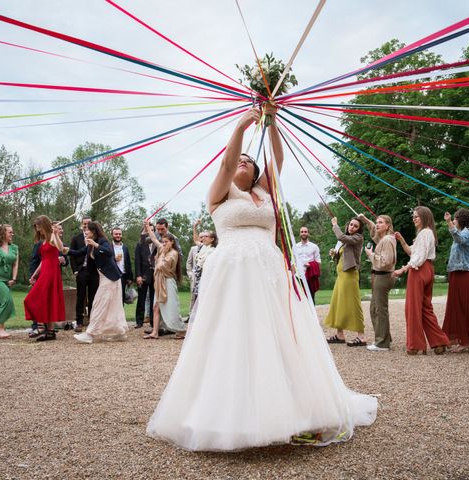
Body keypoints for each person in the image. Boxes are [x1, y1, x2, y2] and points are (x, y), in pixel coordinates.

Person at [146, 105, 377, 451]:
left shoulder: (266, 191)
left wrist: (271, 121)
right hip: (232, 273)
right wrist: (241, 125)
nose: (243, 162)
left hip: (270, 272)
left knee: (278, 335)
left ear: (256, 171)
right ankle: (227, 416)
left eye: (249, 162)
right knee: (232, 335)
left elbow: (278, 158)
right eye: (241, 159)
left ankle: (291, 409)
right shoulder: (221, 193)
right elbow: (227, 162)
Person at [393, 206, 449, 355]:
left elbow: (419, 257)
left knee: (412, 308)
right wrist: (402, 241)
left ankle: (415, 345)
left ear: (424, 217)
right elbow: (413, 252)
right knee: (425, 307)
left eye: (416, 216)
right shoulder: (427, 233)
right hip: (427, 269)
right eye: (413, 217)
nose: (414, 219)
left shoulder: (425, 233)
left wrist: (403, 269)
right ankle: (439, 342)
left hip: (419, 270)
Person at [68, 222, 128, 343]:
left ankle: (90, 334)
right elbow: (79, 252)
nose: (85, 232)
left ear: (94, 231)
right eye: (85, 230)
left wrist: (95, 244)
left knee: (98, 304)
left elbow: (109, 252)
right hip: (105, 278)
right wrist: (66, 250)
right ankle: (119, 332)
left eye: (87, 230)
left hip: (110, 278)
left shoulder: (102, 241)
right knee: (111, 306)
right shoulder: (91, 244)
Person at [442, 210, 469, 352]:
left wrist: (449, 223)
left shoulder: (466, 232)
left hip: (464, 274)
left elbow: (459, 239)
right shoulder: (462, 233)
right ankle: (462, 339)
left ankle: (466, 341)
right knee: (456, 306)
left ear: (461, 220)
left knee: (464, 307)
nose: (453, 221)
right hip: (456, 273)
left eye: (454, 219)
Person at [325, 216, 366, 347]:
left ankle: (361, 336)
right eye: (351, 224)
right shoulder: (346, 241)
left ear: (359, 229)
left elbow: (342, 237)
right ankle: (339, 334)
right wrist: (335, 254)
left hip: (350, 276)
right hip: (341, 276)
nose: (352, 227)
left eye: (355, 226)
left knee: (353, 304)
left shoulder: (357, 238)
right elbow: (345, 254)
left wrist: (335, 225)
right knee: (338, 303)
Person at [358, 214, 397, 352]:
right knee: (375, 309)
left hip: (383, 276)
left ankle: (382, 343)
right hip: (379, 276)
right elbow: (374, 231)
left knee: (379, 310)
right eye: (377, 222)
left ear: (388, 226)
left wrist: (370, 254)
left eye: (381, 222)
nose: (377, 224)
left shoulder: (387, 240)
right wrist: (366, 220)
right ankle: (385, 337)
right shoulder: (384, 238)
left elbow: (385, 262)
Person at [24, 216, 65, 342]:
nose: (38, 230)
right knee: (48, 299)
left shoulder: (52, 237)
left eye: (39, 227)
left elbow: (61, 248)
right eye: (36, 228)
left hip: (52, 272)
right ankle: (51, 332)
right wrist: (35, 274)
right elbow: (43, 260)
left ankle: (41, 327)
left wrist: (56, 234)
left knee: (33, 298)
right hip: (45, 270)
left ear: (44, 225)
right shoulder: (43, 241)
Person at [142, 222, 186, 340]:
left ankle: (181, 330)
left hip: (168, 282)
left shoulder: (173, 253)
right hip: (159, 281)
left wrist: (161, 256)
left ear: (172, 242)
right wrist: (147, 228)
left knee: (171, 306)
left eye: (166, 242)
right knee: (156, 306)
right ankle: (155, 332)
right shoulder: (161, 248)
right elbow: (154, 239)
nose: (163, 244)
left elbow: (161, 266)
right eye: (163, 242)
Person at [70, 216, 99, 333]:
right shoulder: (76, 238)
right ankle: (79, 322)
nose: (86, 225)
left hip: (93, 271)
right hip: (81, 270)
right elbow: (73, 255)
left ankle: (92, 321)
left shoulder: (96, 238)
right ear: (82, 225)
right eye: (84, 223)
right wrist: (75, 270)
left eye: (88, 223)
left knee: (93, 297)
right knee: (80, 297)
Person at [134, 227, 155, 329]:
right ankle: (139, 321)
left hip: (155, 276)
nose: (149, 232)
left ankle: (153, 321)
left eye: (151, 230)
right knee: (141, 299)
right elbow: (137, 261)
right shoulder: (140, 245)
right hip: (143, 276)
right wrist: (138, 275)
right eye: (147, 230)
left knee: (153, 299)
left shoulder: (157, 244)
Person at [294, 226, 321, 303]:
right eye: (302, 232)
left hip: (310, 276)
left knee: (311, 298)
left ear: (308, 233)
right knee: (299, 298)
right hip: (298, 276)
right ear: (299, 233)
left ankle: (312, 314)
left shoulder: (314, 247)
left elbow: (318, 262)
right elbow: (293, 261)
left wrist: (311, 265)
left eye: (305, 231)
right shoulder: (295, 246)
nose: (303, 233)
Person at [111, 227, 133, 304]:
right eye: (116, 234)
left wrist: (130, 278)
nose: (118, 235)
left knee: (122, 297)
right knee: (112, 297)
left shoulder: (125, 247)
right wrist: (114, 259)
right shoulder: (108, 246)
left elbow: (128, 263)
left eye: (119, 234)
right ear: (112, 235)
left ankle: (120, 315)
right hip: (112, 276)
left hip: (123, 276)